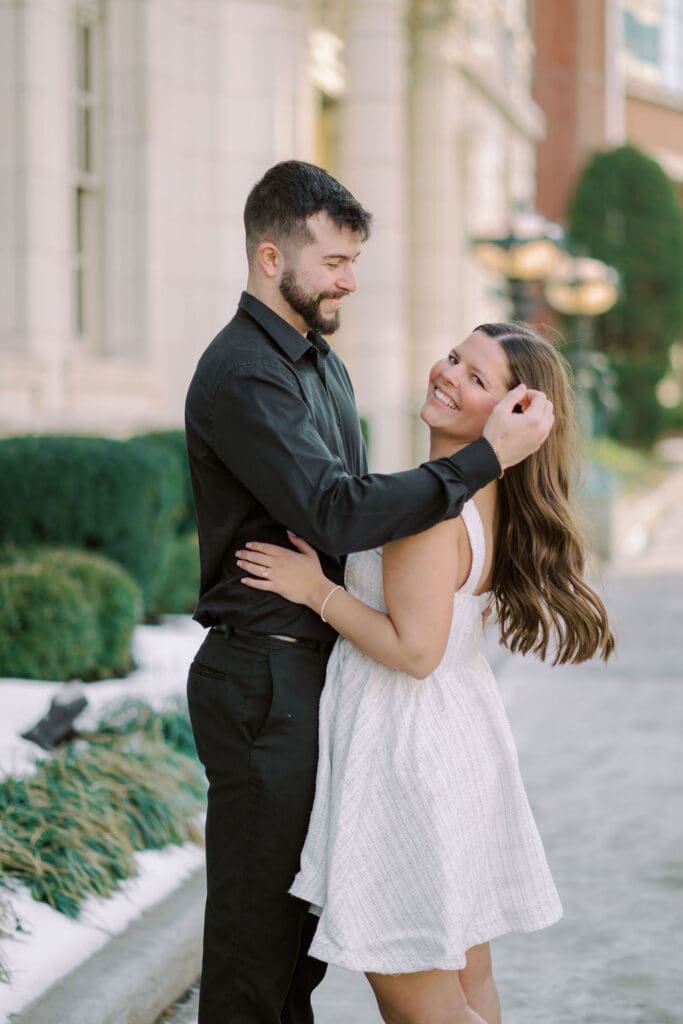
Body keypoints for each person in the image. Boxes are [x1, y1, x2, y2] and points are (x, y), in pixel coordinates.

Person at [184, 161, 554, 1024]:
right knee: (255, 955)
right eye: (334, 261)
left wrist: (330, 584)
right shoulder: (245, 374)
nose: (350, 278)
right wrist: (478, 461)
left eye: (356, 259)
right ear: (271, 257)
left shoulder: (322, 365)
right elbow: (336, 510)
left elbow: (352, 518)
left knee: (295, 966)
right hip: (261, 684)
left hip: (323, 685)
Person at [235, 321, 615, 1024]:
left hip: (403, 756)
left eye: (477, 380)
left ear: (511, 416)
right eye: (453, 358)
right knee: (469, 985)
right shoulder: (485, 495)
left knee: (423, 1006)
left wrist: (313, 590)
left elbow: (414, 651)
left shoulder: (431, 508)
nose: (448, 375)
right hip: (455, 739)